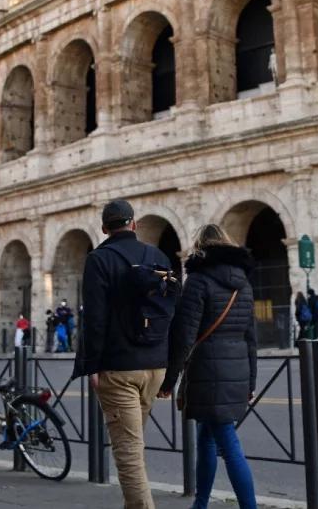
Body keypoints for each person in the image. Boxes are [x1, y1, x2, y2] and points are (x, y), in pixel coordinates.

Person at [73, 199, 177, 509]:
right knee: (133, 445)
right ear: (134, 224)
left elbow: (95, 318)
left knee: (129, 453)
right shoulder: (158, 255)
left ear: (104, 228)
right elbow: (171, 309)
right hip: (155, 365)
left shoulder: (99, 259)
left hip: (119, 368)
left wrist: (93, 365)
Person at [158, 225, 258, 509]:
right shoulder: (245, 283)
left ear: (200, 247)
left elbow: (184, 336)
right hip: (237, 369)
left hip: (207, 370)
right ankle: (200, 503)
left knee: (228, 443)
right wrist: (251, 381)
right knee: (207, 438)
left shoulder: (199, 281)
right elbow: (252, 339)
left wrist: (169, 381)